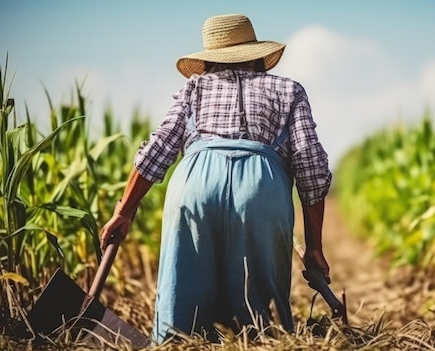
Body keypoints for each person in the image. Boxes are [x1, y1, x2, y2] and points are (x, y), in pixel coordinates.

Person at [99, 13, 332, 343]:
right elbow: (311, 167)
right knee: (258, 322)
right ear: (256, 54)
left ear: (209, 59)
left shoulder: (194, 88)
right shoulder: (288, 90)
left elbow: (158, 149)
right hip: (260, 189)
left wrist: (123, 212)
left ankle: (173, 342)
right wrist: (314, 248)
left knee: (181, 320)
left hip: (194, 187)